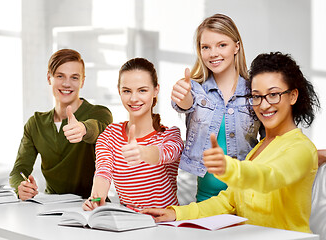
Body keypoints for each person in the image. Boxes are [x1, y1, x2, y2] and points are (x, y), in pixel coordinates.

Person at [143, 52, 320, 233]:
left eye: (273, 94)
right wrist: (175, 214)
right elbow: (227, 201)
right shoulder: (259, 149)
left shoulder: (302, 148)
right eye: (256, 96)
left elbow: (269, 177)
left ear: (293, 96)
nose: (264, 105)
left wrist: (227, 167)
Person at [171, 13, 263, 202]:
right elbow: (185, 104)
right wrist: (183, 97)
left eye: (222, 45)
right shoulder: (195, 89)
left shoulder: (254, 92)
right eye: (206, 47)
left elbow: (272, 138)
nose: (213, 53)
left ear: (236, 47)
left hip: (247, 196)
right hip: (207, 198)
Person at [9, 49, 113, 200]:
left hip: (92, 208)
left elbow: (97, 128)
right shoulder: (35, 124)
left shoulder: (100, 113)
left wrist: (83, 129)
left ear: (82, 81)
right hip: (51, 208)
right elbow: (18, 171)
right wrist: (20, 186)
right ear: (49, 78)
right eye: (60, 76)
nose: (66, 83)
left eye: (74, 78)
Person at [82, 58, 183, 210]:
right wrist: (96, 198)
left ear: (156, 90)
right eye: (127, 91)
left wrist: (141, 152)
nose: (134, 98)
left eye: (142, 90)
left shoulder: (170, 135)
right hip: (128, 224)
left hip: (166, 226)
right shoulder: (109, 135)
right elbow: (103, 170)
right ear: (119, 91)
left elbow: (166, 153)